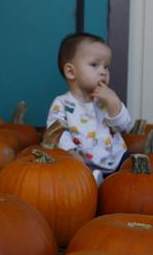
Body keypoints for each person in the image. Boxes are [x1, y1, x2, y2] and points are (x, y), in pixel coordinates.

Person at [46, 32, 133, 184]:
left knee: (133, 165)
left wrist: (114, 103)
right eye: (95, 65)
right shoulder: (62, 103)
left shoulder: (105, 100)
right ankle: (95, 182)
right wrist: (71, 152)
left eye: (106, 67)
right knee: (76, 176)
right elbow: (58, 133)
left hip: (118, 159)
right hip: (84, 164)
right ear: (71, 71)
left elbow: (124, 126)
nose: (103, 72)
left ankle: (120, 182)